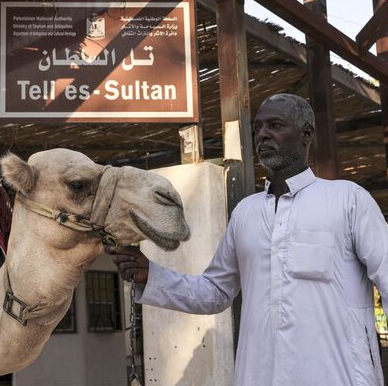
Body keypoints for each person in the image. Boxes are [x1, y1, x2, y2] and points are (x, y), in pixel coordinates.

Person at [111, 93, 388, 386]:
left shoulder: (348, 200)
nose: (263, 135)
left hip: (339, 376)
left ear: (306, 134)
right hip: (259, 375)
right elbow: (215, 291)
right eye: (258, 128)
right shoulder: (247, 212)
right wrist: (152, 275)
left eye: (275, 125)